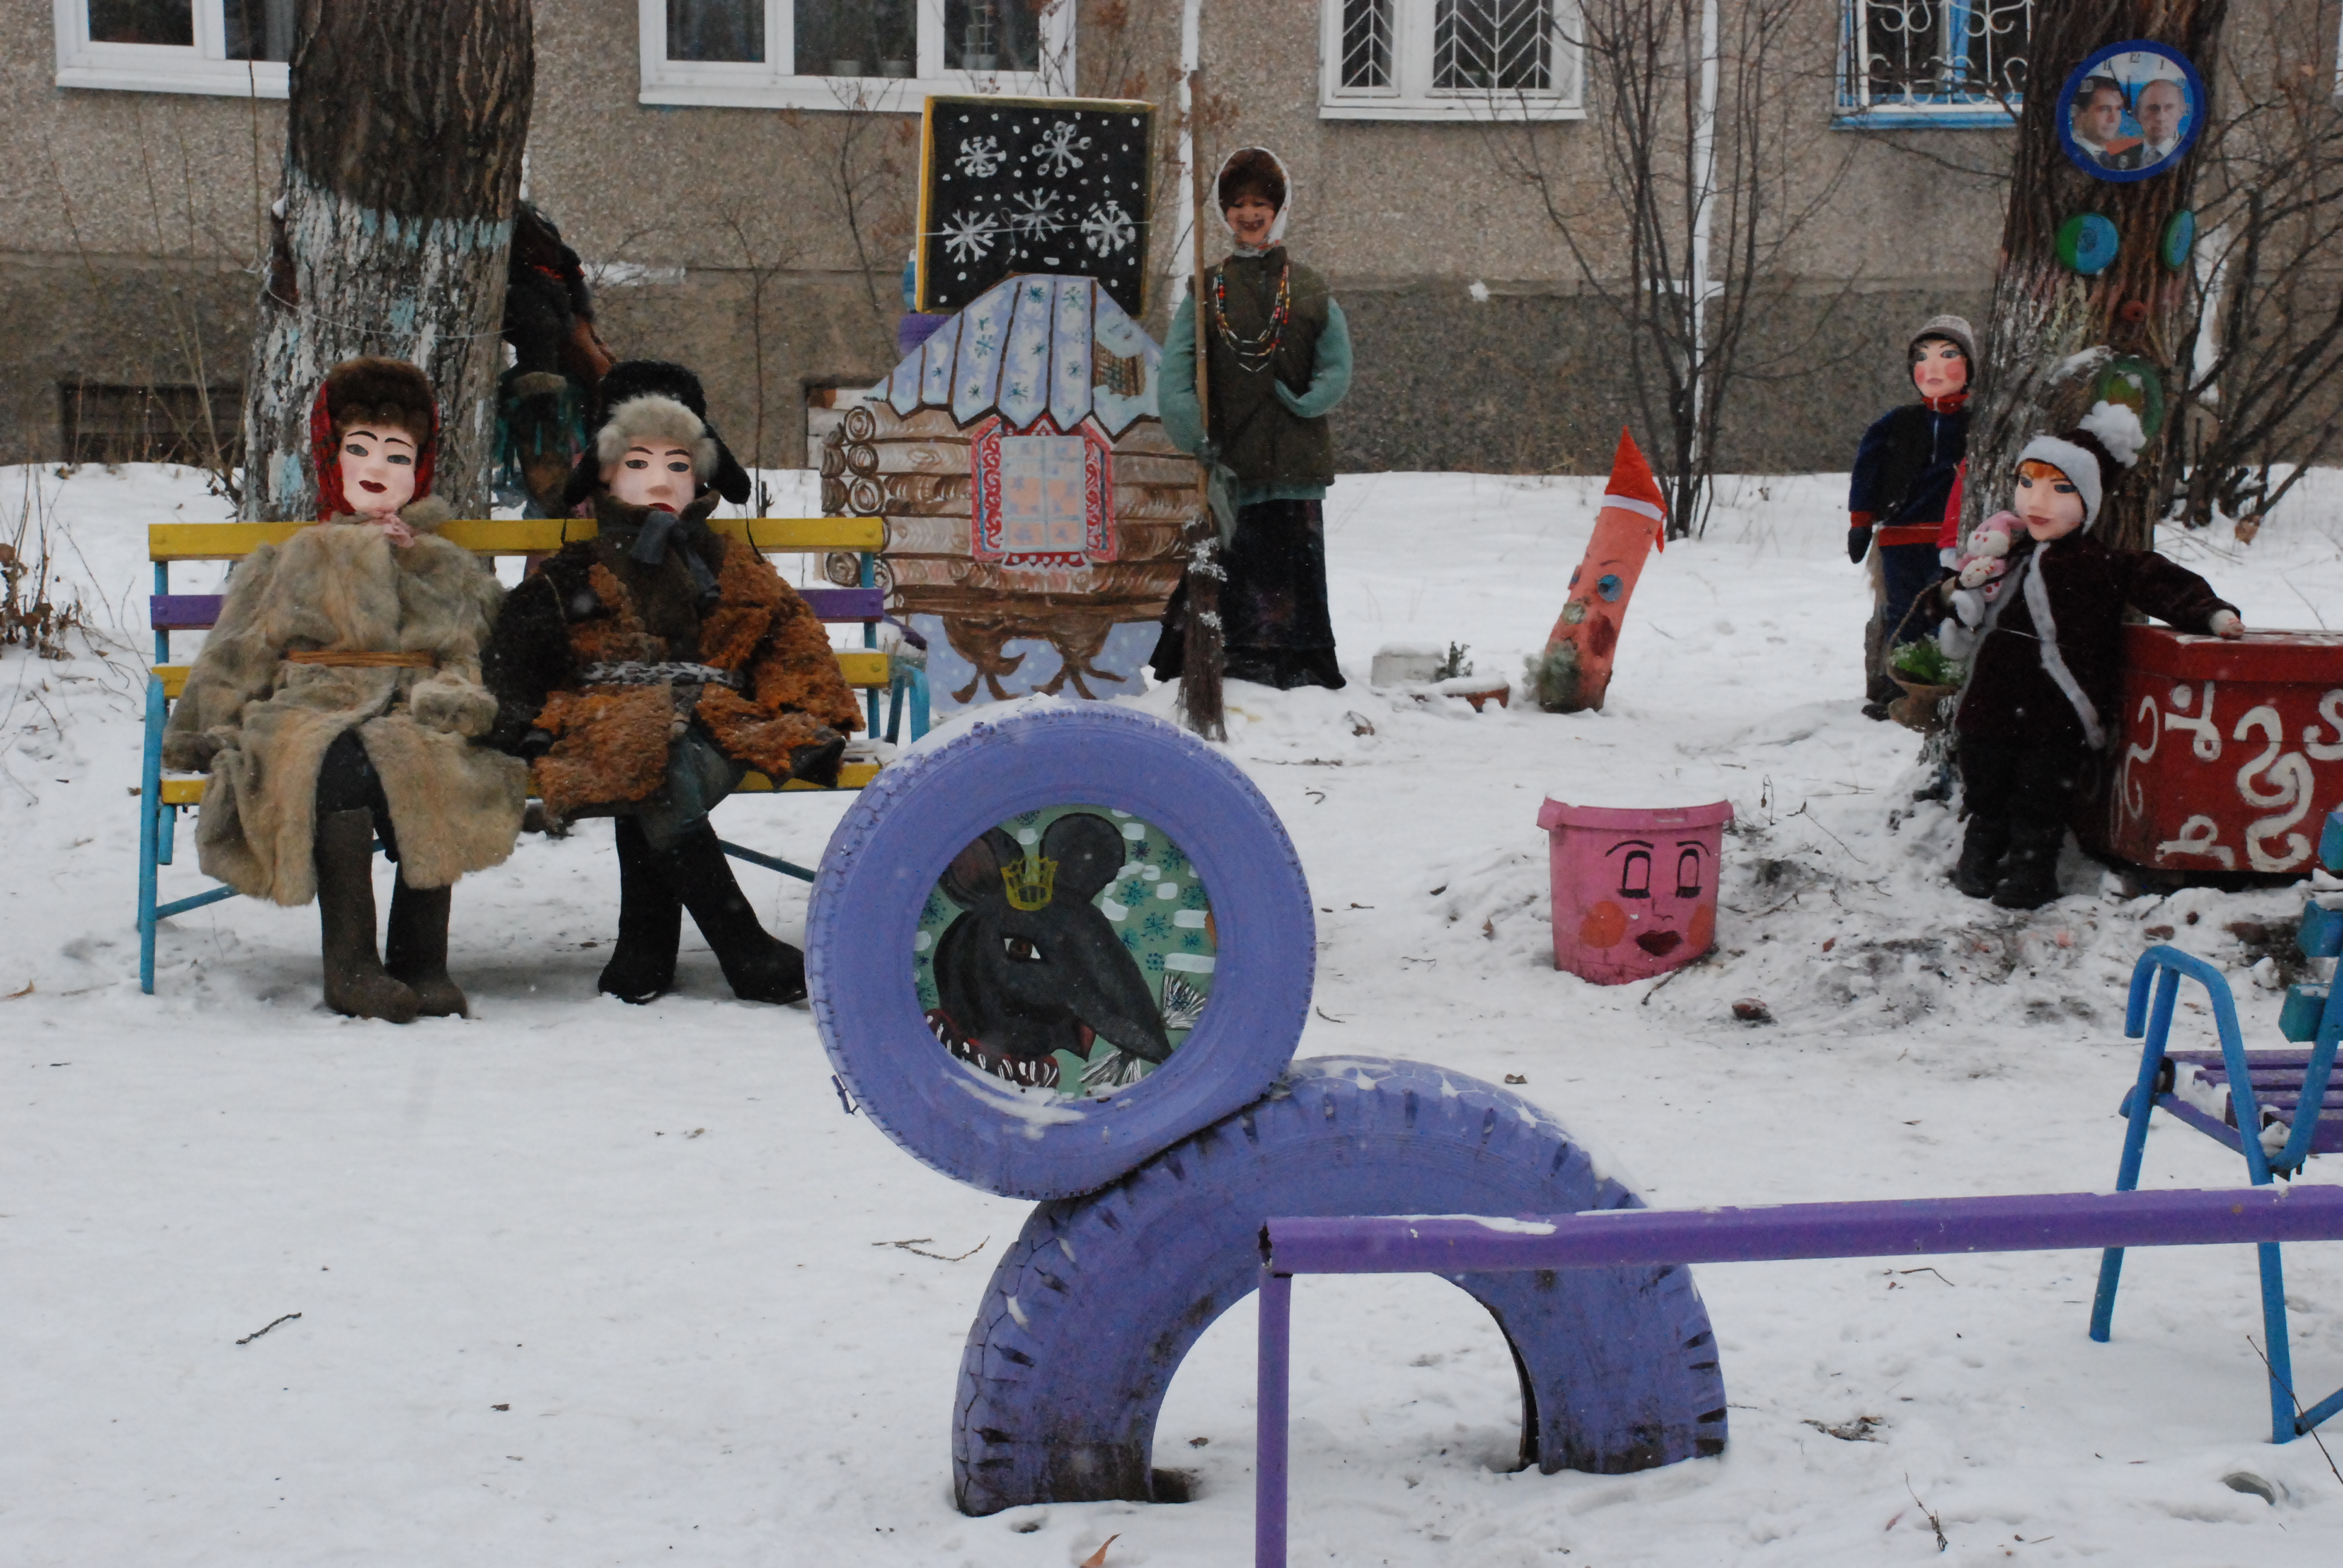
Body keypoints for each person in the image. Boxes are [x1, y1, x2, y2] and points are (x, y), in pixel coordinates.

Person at [482, 361, 860, 1005]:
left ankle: (649, 941)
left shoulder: (730, 566)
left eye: (678, 464)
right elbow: (513, 655)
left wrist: (801, 707)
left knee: (661, 758)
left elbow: (790, 641)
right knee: (649, 749)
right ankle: (730, 946)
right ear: (603, 472)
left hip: (718, 727)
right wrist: (520, 718)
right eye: (636, 463)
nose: (659, 479)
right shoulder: (575, 572)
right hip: (600, 725)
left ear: (703, 473)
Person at [162, 358, 527, 1022]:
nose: (377, 467)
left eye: (397, 454)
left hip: (413, 704)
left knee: (434, 765)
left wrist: (457, 695)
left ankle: (422, 960)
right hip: (310, 703)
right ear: (333, 460)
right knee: (331, 763)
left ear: (421, 466)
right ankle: (352, 963)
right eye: (359, 449)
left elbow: (464, 650)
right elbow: (240, 651)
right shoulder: (297, 555)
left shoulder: (444, 562)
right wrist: (202, 726)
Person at [1943, 403, 2244, 910]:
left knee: (2041, 793)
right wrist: (1954, 597)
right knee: (1985, 781)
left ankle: (2031, 870)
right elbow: (1950, 594)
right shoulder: (2002, 557)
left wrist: (2208, 612)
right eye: (2028, 483)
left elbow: (2160, 582)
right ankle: (1980, 855)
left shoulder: (2102, 564)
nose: (2037, 501)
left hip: (2058, 709)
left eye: (2060, 489)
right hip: (1990, 701)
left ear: (2089, 501)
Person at [1149, 146, 1354, 691]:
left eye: (1260, 202)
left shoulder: (1309, 288)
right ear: (1224, 211)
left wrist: (1310, 402)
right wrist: (1193, 432)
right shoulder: (1207, 286)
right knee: (1233, 558)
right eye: (1237, 203)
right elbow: (1176, 371)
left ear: (1278, 208)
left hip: (1295, 457)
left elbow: (1336, 362)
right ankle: (1232, 661)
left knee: (1291, 561)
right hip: (1232, 457)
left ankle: (1296, 666)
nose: (1249, 213)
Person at [1849, 315, 1973, 719]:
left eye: (1948, 355)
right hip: (1900, 538)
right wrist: (1860, 521)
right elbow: (1868, 469)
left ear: (1970, 366)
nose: (1933, 368)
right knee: (1903, 614)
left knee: (1945, 615)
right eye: (1922, 358)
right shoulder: (1897, 424)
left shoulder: (1979, 424)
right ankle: (1900, 689)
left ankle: (1940, 689)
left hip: (1952, 542)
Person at [2069, 76, 2138, 169]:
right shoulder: (2070, 157)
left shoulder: (2108, 158)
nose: (2113, 119)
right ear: (2079, 114)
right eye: (2105, 109)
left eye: (2118, 109)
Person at [2130, 77, 2187, 168]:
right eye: (2153, 108)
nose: (2161, 118)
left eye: (2169, 108)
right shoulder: (2117, 160)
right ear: (2137, 115)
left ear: (2181, 112)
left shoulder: (2193, 156)